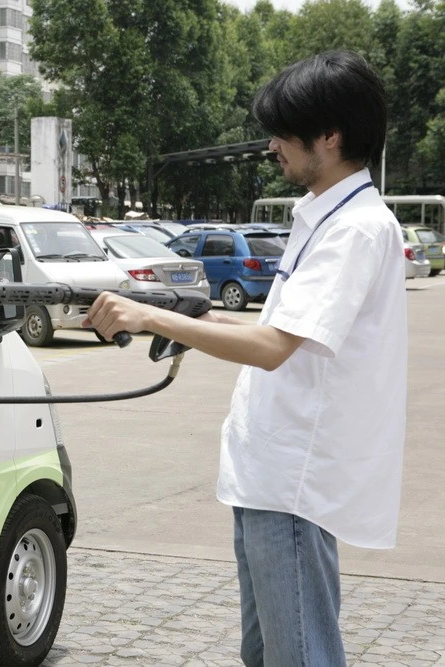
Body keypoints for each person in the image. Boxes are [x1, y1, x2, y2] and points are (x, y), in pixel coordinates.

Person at [84, 50, 406, 666]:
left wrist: (152, 318)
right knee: (265, 653)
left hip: (292, 484)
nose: (271, 146)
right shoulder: (326, 218)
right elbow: (283, 329)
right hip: (270, 475)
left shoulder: (354, 230)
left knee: (299, 654)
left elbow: (274, 349)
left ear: (330, 136)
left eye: (283, 131)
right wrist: (195, 313)